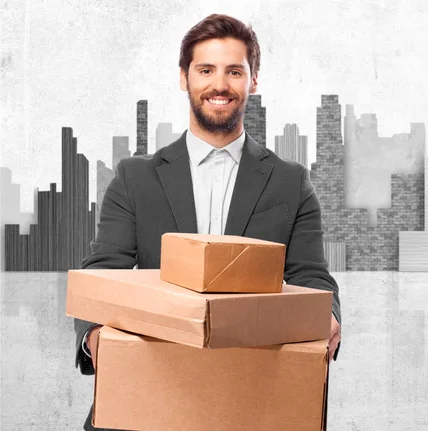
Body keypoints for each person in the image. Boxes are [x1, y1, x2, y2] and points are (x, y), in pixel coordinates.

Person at [73, 13, 342, 431]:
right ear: (184, 78)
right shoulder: (135, 177)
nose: (220, 84)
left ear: (253, 81)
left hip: (255, 391)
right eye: (205, 70)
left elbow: (311, 274)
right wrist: (95, 338)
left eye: (234, 71)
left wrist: (328, 316)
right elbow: (103, 272)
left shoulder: (290, 182)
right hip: (152, 388)